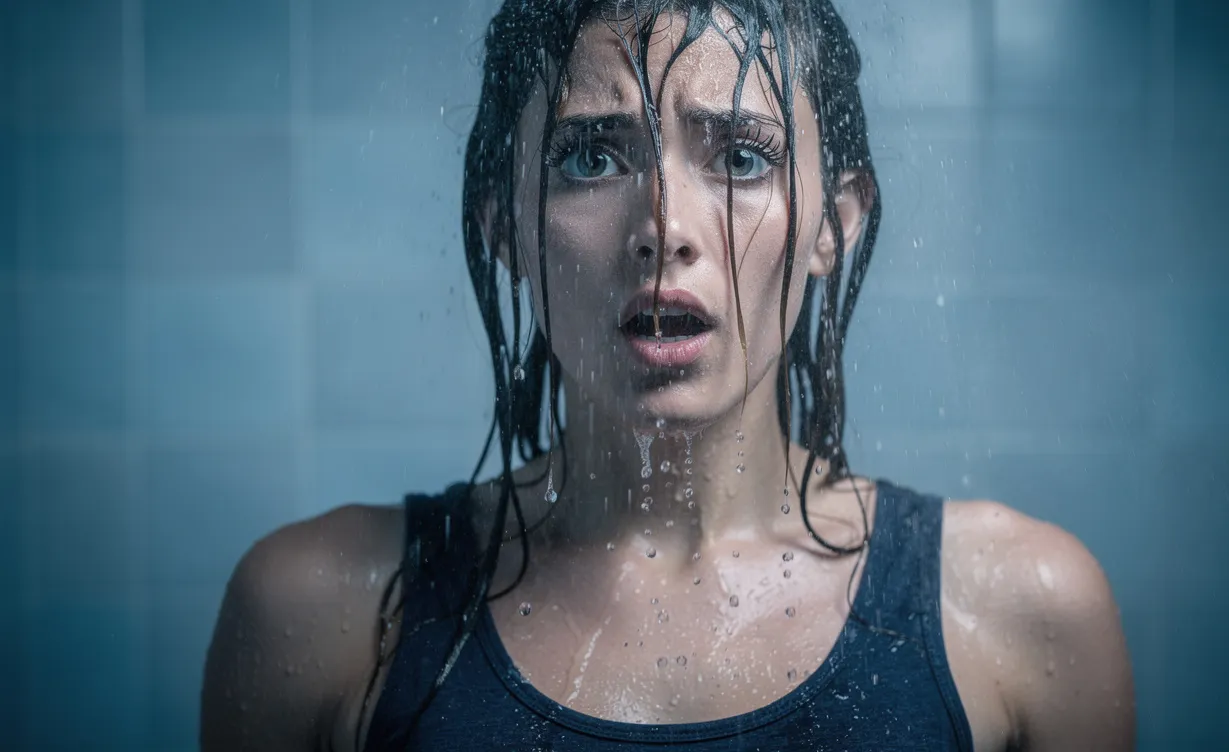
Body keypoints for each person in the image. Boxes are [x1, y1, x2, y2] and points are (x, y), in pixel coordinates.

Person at [201, 0, 1135, 749]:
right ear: (503, 224)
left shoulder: (1020, 612)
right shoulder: (322, 615)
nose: (665, 227)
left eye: (742, 157)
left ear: (833, 224)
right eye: (591, 157)